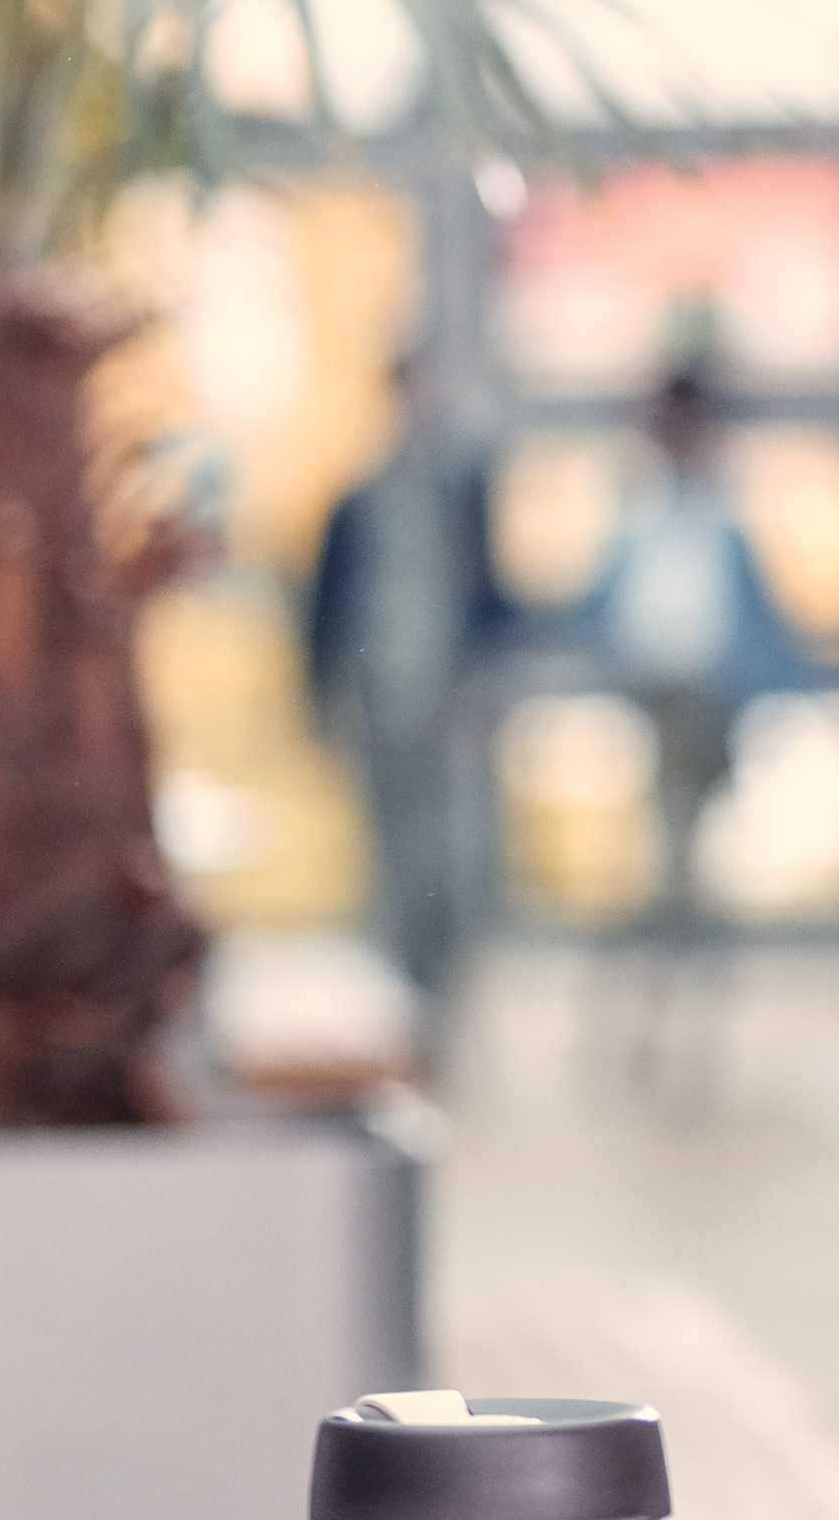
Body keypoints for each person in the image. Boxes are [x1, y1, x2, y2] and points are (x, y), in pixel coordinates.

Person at [565, 356, 810, 1103]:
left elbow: (761, 627)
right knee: (666, 876)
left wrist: (784, 701)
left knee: (678, 874)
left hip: (703, 711)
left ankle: (662, 1030)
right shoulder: (638, 519)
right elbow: (602, 614)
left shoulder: (723, 521)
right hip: (651, 707)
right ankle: (650, 1026)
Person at [302, 344, 513, 1054]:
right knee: (393, 864)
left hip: (444, 710)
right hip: (379, 705)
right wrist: (321, 707)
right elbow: (325, 614)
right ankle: (402, 1009)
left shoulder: (462, 496)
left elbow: (492, 602)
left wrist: (481, 687)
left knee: (444, 864)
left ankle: (442, 1002)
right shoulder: (360, 502)